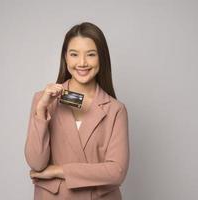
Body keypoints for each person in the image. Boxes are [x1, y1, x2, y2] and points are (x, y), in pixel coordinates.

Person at [24, 22, 129, 200]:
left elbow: (116, 171)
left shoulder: (115, 109)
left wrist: (59, 170)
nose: (82, 63)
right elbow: (36, 163)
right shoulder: (42, 100)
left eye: (91, 55)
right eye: (74, 54)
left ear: (101, 58)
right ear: (65, 57)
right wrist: (41, 110)